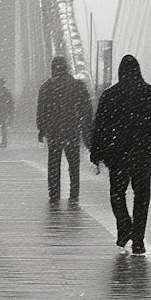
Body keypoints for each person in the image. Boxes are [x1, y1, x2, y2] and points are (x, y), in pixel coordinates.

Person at [90, 52, 151, 253]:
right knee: (142, 197)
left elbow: (99, 126)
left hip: (116, 154)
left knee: (117, 193)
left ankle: (124, 224)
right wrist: (146, 123)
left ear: (120, 72)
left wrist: (96, 152)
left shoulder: (109, 95)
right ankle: (138, 240)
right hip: (143, 153)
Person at [35, 53, 94, 203]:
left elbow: (42, 110)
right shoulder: (77, 86)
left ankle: (54, 194)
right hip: (72, 131)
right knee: (74, 165)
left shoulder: (47, 87)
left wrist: (42, 128)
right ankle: (74, 195)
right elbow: (86, 110)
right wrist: (86, 130)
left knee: (54, 165)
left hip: (54, 132)